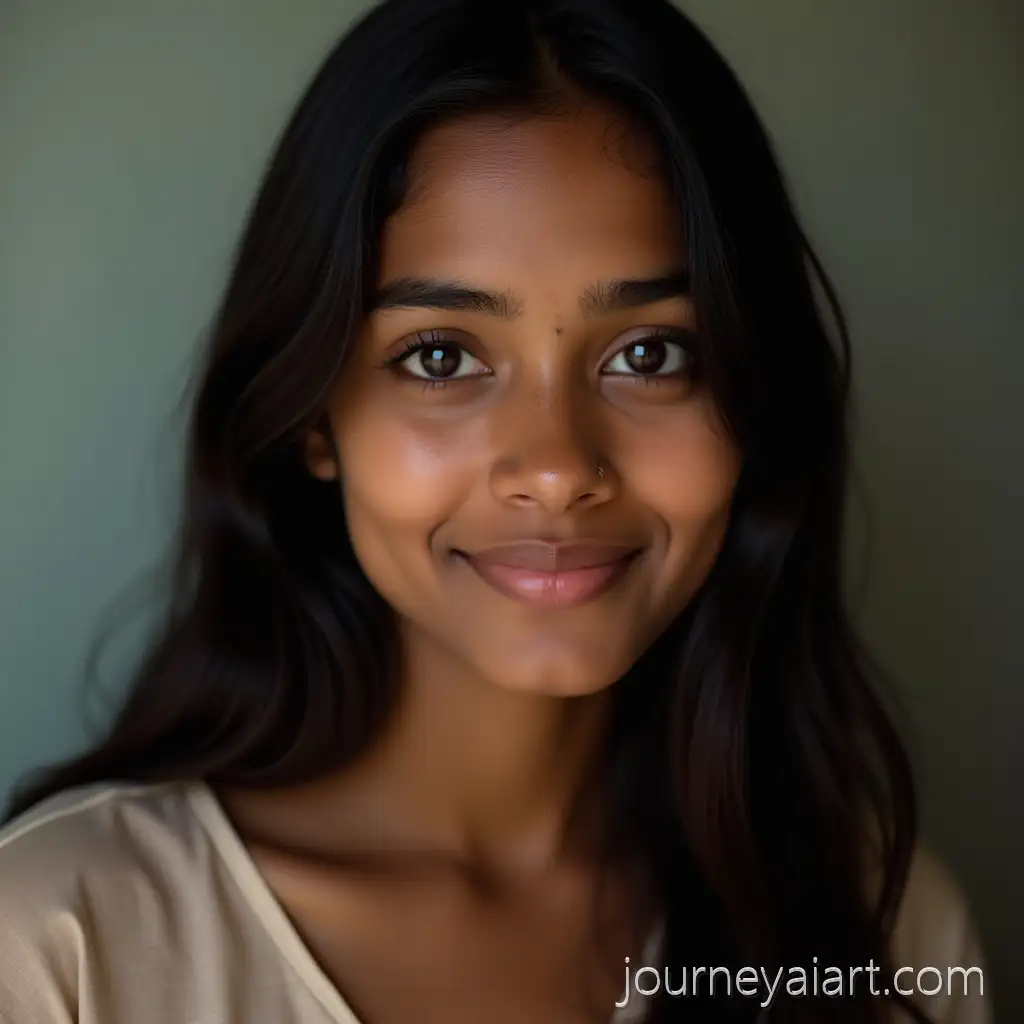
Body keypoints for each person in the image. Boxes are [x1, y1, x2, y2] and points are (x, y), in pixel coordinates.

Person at [0, 0, 991, 1021]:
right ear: (313, 421)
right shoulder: (60, 943)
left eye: (649, 354)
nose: (557, 468)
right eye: (440, 357)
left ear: (751, 399)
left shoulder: (882, 931)